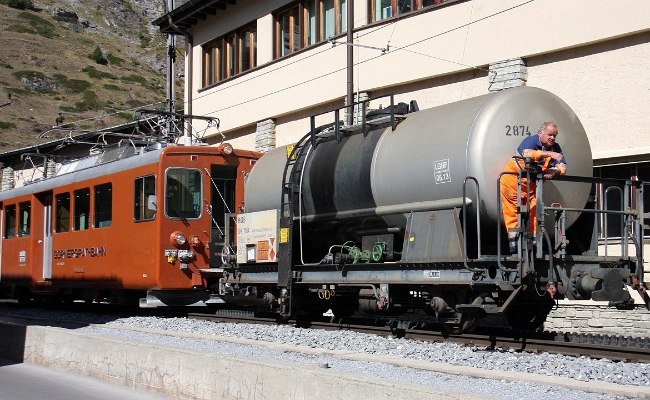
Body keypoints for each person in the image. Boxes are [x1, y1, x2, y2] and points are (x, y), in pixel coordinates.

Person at [500, 122, 567, 253]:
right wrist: (550, 154)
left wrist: (554, 171)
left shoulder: (556, 148)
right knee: (513, 215)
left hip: (531, 189)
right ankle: (515, 248)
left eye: (555, 135)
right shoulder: (531, 141)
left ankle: (534, 245)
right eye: (550, 134)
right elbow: (527, 153)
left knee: (534, 215)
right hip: (512, 185)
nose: (552, 138)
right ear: (540, 133)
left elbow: (563, 166)